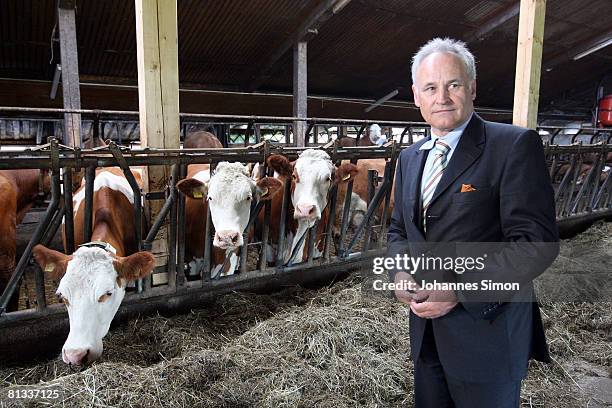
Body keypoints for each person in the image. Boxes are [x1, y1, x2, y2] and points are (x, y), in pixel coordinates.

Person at [387, 37, 559, 407]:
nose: (442, 97)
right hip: (427, 335)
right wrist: (400, 275)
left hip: (488, 338)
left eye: (453, 84)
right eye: (430, 88)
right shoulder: (409, 158)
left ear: (472, 87)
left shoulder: (512, 146)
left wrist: (460, 290)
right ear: (417, 96)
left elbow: (534, 243)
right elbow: (400, 230)